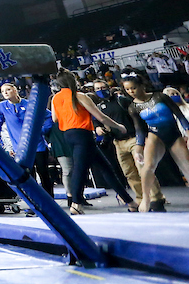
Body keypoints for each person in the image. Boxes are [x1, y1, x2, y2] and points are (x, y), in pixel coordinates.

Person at [121, 71, 189, 212]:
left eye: (134, 88)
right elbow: (140, 130)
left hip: (173, 135)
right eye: (128, 89)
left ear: (142, 86)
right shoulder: (133, 107)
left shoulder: (160, 97)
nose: (131, 92)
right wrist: (138, 146)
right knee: (147, 167)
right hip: (154, 135)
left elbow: (180, 116)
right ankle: (147, 199)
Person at [50, 71, 133, 214]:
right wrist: (118, 126)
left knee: (105, 168)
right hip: (82, 134)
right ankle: (76, 204)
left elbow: (54, 119)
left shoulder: (55, 98)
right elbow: (100, 116)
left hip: (68, 135)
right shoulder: (79, 96)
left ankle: (130, 201)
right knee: (80, 170)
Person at [93, 79, 165, 210]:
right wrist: (98, 128)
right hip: (118, 142)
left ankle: (156, 198)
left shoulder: (122, 101)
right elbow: (97, 120)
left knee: (143, 169)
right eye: (97, 89)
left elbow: (138, 115)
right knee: (129, 173)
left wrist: (141, 139)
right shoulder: (99, 107)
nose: (101, 90)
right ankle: (140, 198)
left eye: (103, 87)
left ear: (109, 87)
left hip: (133, 139)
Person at [0, 82, 54, 197]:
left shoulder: (30, 104)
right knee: (29, 176)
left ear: (15, 90)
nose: (5, 92)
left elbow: (49, 116)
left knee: (44, 173)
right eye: (2, 91)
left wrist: (43, 130)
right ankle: (34, 201)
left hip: (38, 146)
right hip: (20, 149)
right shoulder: (1, 106)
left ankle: (50, 200)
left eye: (8, 89)